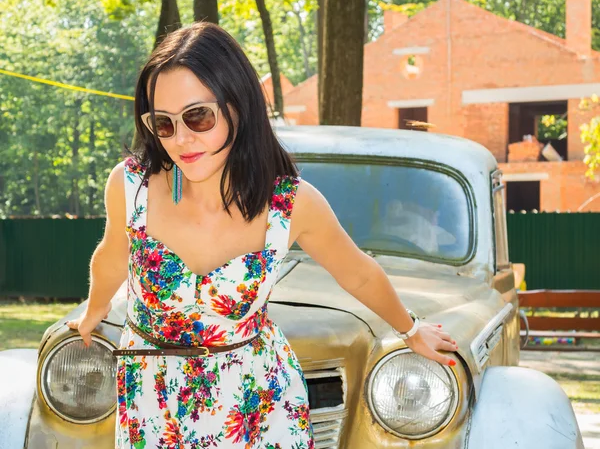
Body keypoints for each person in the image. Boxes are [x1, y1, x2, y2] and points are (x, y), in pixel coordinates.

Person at [67, 22, 458, 449]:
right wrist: (94, 308)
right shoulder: (131, 186)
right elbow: (110, 256)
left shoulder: (290, 204)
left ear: (238, 107)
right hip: (153, 402)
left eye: (198, 116)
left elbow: (358, 274)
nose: (181, 140)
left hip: (254, 405)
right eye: (163, 123)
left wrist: (410, 328)